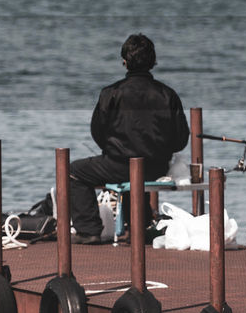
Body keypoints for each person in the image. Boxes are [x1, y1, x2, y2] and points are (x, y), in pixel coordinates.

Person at [59, 33, 189, 244]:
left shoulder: (111, 93)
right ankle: (139, 225)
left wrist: (113, 149)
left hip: (118, 164)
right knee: (132, 174)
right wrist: (158, 150)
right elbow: (181, 139)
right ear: (153, 62)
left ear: (124, 62)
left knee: (72, 172)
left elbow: (97, 131)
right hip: (157, 167)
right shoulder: (168, 94)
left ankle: (89, 229)